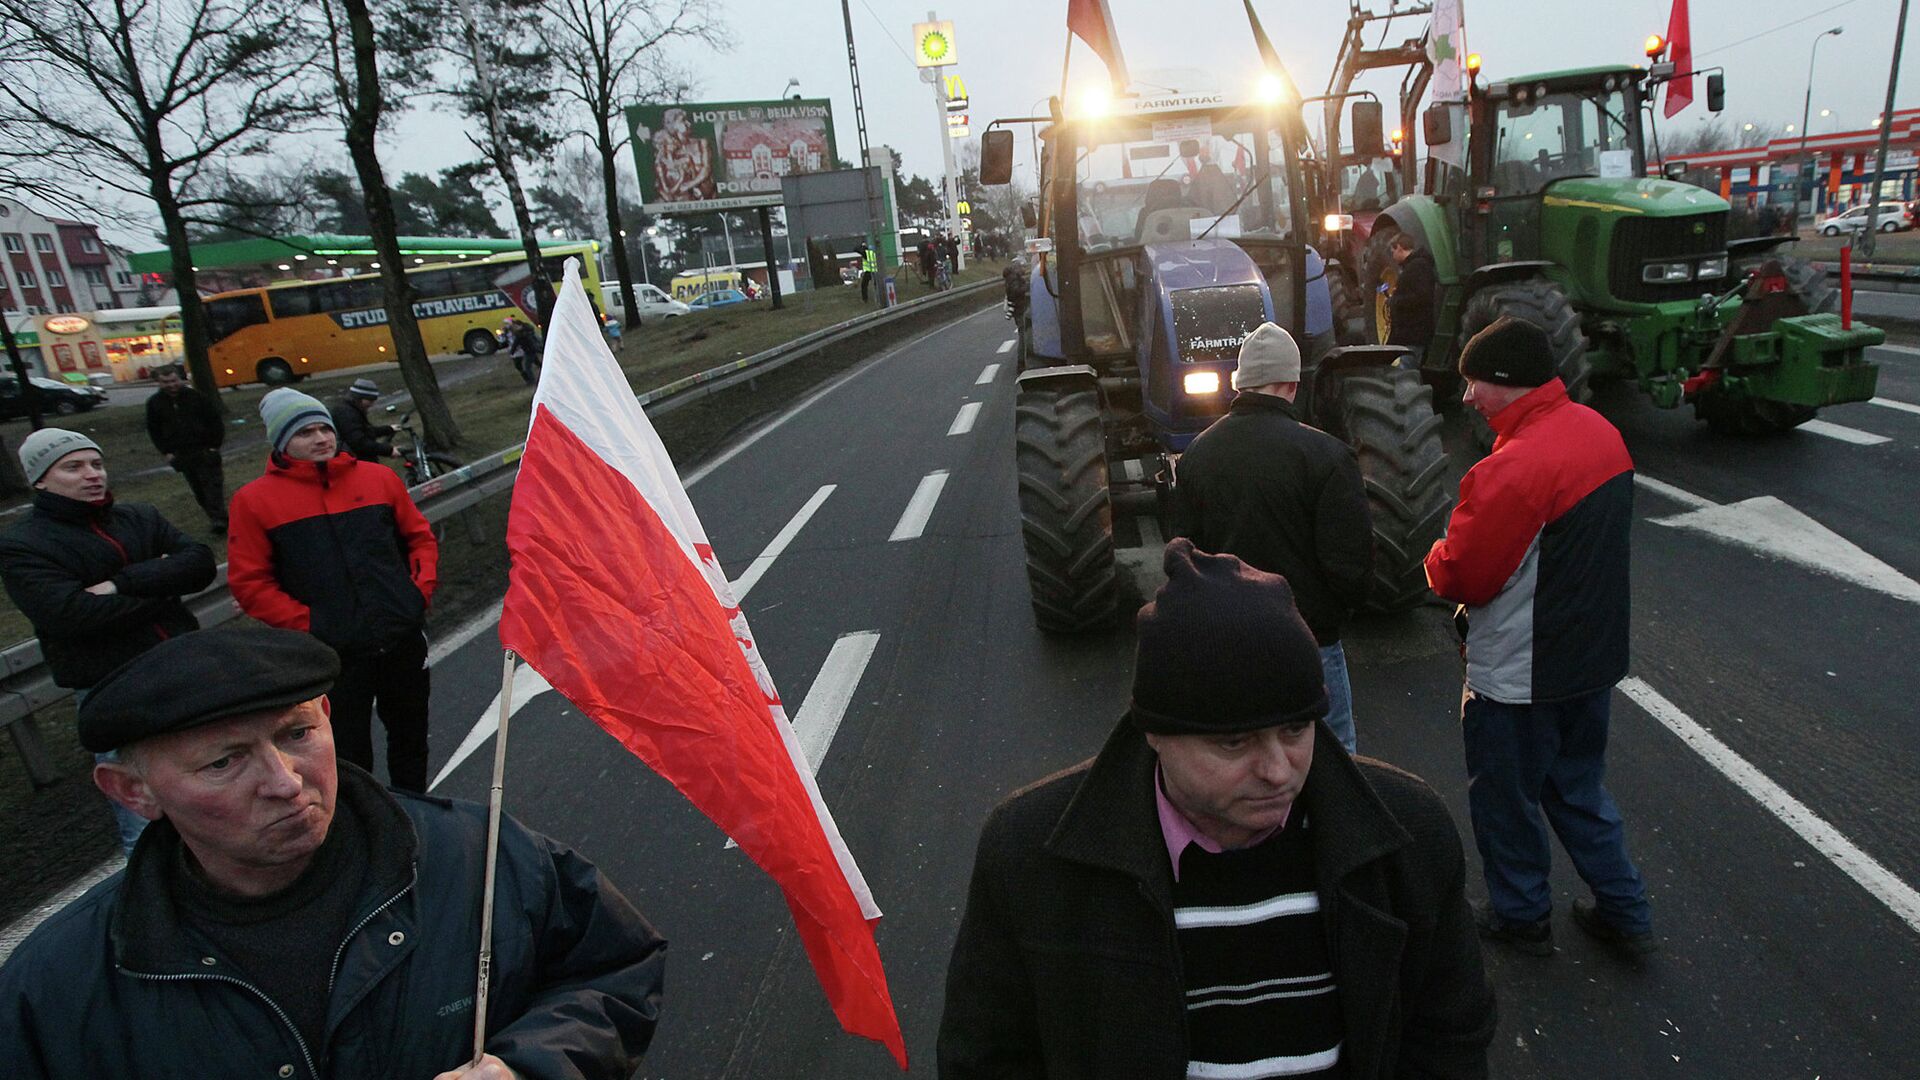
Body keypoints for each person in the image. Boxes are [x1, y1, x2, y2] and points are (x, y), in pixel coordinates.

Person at [0, 625, 666, 1079]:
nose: (285, 782)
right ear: (132, 792)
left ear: (326, 710)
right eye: (225, 762)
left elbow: (613, 968)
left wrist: (527, 1064)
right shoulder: (59, 986)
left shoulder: (480, 858)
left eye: (297, 733)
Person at [940, 540, 1496, 1079]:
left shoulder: (1410, 835)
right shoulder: (1031, 859)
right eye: (1234, 743)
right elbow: (988, 1058)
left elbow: (1449, 1037)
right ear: (1155, 732)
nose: (1278, 771)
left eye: (1295, 728)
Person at [1423, 315, 1654, 959]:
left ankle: (1521, 915)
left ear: (1510, 385)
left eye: (1476, 385)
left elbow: (1464, 573)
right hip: (1591, 661)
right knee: (1578, 789)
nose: (1467, 397)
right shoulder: (1601, 434)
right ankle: (1625, 910)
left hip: (1521, 675)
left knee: (1505, 800)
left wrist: (1434, 553)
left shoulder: (1516, 467)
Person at [0, 428, 216, 855]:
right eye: (73, 467)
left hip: (180, 669)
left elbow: (200, 563)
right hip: (111, 689)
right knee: (144, 821)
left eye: (96, 464)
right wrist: (163, 588)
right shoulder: (23, 544)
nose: (92, 475)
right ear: (40, 480)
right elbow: (72, 615)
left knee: (211, 798)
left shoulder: (139, 516)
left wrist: (121, 584)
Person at [228, 388, 438, 793]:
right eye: (306, 432)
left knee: (411, 734)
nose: (321, 438)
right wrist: (312, 624)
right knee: (345, 748)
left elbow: (419, 540)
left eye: (326, 428)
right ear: (282, 442)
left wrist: (417, 595)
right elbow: (250, 582)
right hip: (331, 653)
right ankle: (360, 823)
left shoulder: (378, 479)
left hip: (400, 637)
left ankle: (416, 808)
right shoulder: (254, 502)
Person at [1175, 323, 1373, 753]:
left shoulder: (1196, 455)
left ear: (1240, 384)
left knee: (1244, 759)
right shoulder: (1327, 456)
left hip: (1231, 638)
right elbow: (1350, 565)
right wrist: (1332, 617)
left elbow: (1185, 552)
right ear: (1292, 383)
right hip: (1310, 638)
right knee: (1331, 758)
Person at [143, 363, 228, 534]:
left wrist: (213, 446)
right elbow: (154, 430)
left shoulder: (197, 397)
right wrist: (166, 452)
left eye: (173, 381)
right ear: (159, 383)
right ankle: (214, 516)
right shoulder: (154, 404)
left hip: (205, 450)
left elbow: (215, 422)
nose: (171, 385)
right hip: (181, 454)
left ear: (180, 379)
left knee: (212, 486)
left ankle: (219, 520)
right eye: (166, 382)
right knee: (198, 489)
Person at [1387, 232, 1438, 365]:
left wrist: (1396, 301)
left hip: (1413, 334)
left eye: (1393, 251)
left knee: (1406, 373)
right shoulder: (1415, 266)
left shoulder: (1417, 267)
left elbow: (1422, 296)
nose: (1393, 256)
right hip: (1411, 334)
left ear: (1399, 248)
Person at [329, 377, 401, 462]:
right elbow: (359, 443)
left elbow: (365, 431)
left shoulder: (352, 410)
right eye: (370, 400)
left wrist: (389, 429)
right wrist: (389, 450)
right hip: (355, 462)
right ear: (359, 398)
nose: (372, 404)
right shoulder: (346, 414)